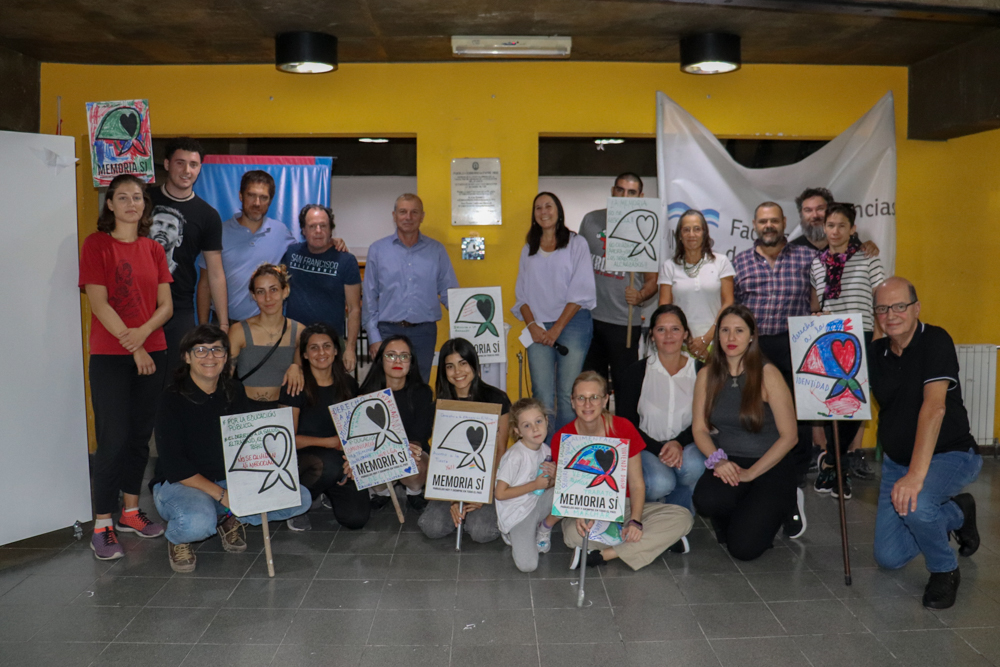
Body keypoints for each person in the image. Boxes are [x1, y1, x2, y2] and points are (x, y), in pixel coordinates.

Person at [151, 324, 311, 573]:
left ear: (226, 357)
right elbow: (175, 466)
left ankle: (226, 516)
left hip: (228, 481)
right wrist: (223, 495)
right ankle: (180, 538)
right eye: (201, 350)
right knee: (198, 524)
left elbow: (247, 444)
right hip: (182, 484)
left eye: (217, 350)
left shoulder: (234, 390)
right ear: (187, 356)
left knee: (299, 498)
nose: (210, 356)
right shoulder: (170, 398)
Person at [869, 277, 982, 610]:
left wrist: (916, 477)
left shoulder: (936, 340)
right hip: (897, 461)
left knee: (917, 506)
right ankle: (957, 512)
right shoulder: (875, 352)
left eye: (900, 306)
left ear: (916, 308)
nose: (891, 314)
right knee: (889, 557)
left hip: (951, 454)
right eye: (882, 308)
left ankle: (944, 570)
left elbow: (934, 408)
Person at [79, 174, 173, 561]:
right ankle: (102, 523)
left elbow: (165, 306)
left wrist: (144, 334)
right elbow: (99, 304)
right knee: (113, 440)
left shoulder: (154, 248)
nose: (132, 203)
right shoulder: (96, 245)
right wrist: (133, 345)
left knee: (139, 438)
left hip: (154, 351)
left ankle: (130, 512)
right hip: (111, 357)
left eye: (137, 197)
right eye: (123, 197)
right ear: (111, 205)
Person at [691, 305, 802, 561]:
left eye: (739, 331)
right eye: (725, 331)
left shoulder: (767, 374)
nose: (731, 338)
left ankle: (787, 503)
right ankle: (745, 511)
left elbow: (790, 436)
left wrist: (751, 473)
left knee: (743, 549)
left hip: (770, 464)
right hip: (730, 461)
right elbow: (699, 428)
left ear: (752, 336)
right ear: (717, 335)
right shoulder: (707, 375)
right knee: (706, 500)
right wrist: (718, 460)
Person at [555, 372, 693, 570]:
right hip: (586, 509)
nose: (587, 404)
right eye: (581, 398)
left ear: (605, 400)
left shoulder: (623, 428)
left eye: (594, 397)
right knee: (571, 534)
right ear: (572, 401)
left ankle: (603, 555)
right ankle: (658, 543)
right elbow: (566, 490)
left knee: (683, 517)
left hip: (624, 506)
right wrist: (578, 513)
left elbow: (637, 483)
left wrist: (636, 521)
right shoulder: (563, 437)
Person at [732, 201, 814, 535]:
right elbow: (733, 311)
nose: (769, 225)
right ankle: (755, 477)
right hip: (756, 348)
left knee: (798, 418)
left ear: (784, 223)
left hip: (795, 344)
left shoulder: (807, 259)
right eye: (763, 220)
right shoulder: (739, 263)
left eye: (774, 221)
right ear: (754, 223)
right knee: (754, 415)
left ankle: (794, 487)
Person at [809, 203, 885, 499]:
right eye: (831, 225)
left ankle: (831, 463)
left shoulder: (868, 258)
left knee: (852, 405)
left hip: (861, 337)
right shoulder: (817, 263)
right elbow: (820, 304)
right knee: (832, 404)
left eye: (842, 225)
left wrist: (879, 340)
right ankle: (836, 468)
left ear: (852, 229)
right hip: (830, 339)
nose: (836, 231)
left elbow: (880, 303)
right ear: (824, 228)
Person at [514, 192, 597, 432]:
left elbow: (580, 291)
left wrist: (556, 329)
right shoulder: (528, 249)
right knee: (542, 393)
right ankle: (546, 454)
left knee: (568, 393)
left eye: (548, 206)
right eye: (538, 208)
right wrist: (533, 327)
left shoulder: (576, 243)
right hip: (537, 328)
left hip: (573, 325)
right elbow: (522, 297)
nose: (543, 212)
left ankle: (565, 452)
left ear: (558, 210)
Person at [418, 338, 511, 543]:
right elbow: (439, 455)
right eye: (450, 366)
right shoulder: (439, 405)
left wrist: (481, 494)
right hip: (452, 481)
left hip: (487, 482)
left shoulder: (497, 399)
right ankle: (459, 513)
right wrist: (453, 497)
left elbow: (500, 451)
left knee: (481, 532)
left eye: (463, 363)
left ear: (474, 365)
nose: (457, 372)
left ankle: (472, 515)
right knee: (431, 527)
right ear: (443, 371)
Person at [616, 305, 706, 516]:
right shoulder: (636, 372)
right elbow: (625, 423)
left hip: (688, 443)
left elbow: (706, 419)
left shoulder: (700, 371)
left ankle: (677, 517)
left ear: (685, 334)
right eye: (661, 329)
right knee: (659, 482)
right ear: (651, 335)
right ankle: (649, 513)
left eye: (675, 329)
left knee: (694, 468)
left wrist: (678, 443)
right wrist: (659, 449)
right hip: (647, 447)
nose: (668, 336)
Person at [149, 137, 228, 376]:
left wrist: (223, 324)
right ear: (166, 163)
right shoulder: (142, 200)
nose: (186, 171)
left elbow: (215, 272)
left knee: (176, 380)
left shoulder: (208, 215)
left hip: (178, 308)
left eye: (193, 164)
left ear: (200, 168)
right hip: (138, 303)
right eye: (180, 163)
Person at [279, 323, 368, 532]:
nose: (321, 352)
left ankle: (325, 491)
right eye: (314, 347)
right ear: (305, 355)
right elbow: (287, 440)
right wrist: (329, 442)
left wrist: (354, 459)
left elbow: (356, 434)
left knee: (356, 519)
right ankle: (295, 505)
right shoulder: (295, 385)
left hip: (338, 459)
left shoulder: (348, 384)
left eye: (327, 346)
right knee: (327, 465)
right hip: (303, 460)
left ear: (336, 351)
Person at [363, 194, 459, 383]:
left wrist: (469, 321)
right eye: (403, 212)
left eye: (414, 212)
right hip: (387, 331)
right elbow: (369, 297)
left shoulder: (436, 250)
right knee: (387, 386)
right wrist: (374, 337)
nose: (408, 217)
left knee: (420, 385)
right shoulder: (377, 250)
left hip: (424, 333)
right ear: (394, 215)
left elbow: (450, 293)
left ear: (422, 216)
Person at [579, 173, 658, 393]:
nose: (624, 196)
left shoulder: (647, 228)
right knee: (592, 389)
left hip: (625, 322)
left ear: (640, 196)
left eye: (631, 192)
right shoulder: (590, 220)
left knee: (626, 389)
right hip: (589, 319)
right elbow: (576, 267)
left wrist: (641, 295)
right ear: (612, 191)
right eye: (620, 190)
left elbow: (652, 282)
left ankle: (625, 428)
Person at [196, 170, 295, 324]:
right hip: (224, 325)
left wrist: (332, 243)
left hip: (266, 327)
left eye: (263, 198)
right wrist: (202, 327)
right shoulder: (218, 233)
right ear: (241, 196)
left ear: (270, 201)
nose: (257, 203)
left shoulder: (281, 232)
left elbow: (308, 252)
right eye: (251, 195)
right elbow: (205, 284)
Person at [356, 334, 433, 511]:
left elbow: (420, 434)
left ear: (411, 362)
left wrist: (400, 453)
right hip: (379, 454)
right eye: (391, 355)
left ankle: (414, 491)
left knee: (413, 459)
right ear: (380, 360)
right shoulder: (366, 393)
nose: (397, 360)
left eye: (404, 356)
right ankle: (381, 491)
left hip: (412, 451)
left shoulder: (423, 392)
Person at [281, 204, 362, 373]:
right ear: (303, 229)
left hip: (330, 344)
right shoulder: (291, 253)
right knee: (295, 393)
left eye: (323, 225)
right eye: (312, 226)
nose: (318, 231)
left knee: (332, 396)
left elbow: (354, 309)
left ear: (331, 229)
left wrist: (350, 348)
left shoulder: (346, 261)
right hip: (295, 342)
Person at [658, 209, 735, 361]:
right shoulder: (669, 266)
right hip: (681, 343)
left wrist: (706, 339)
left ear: (704, 233)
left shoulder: (721, 262)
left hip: (717, 341)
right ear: (679, 236)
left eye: (697, 229)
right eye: (686, 230)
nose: (691, 234)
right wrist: (687, 339)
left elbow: (729, 303)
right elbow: (664, 308)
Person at [495, 398, 558, 572]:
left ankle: (545, 527)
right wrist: (534, 484)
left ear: (546, 421)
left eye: (538, 421)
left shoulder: (546, 450)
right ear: (518, 431)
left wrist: (554, 477)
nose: (535, 429)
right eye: (527, 425)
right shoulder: (515, 456)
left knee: (566, 491)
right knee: (528, 566)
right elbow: (500, 494)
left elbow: (546, 484)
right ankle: (511, 533)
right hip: (518, 514)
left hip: (536, 504)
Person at [228, 263, 304, 406]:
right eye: (261, 292)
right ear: (254, 296)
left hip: (284, 410)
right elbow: (225, 377)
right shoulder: (239, 331)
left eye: (273, 289)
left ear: (285, 291)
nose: (268, 298)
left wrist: (297, 367)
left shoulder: (300, 332)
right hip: (246, 409)